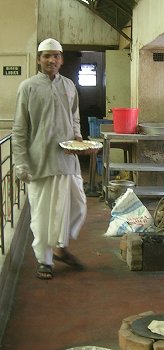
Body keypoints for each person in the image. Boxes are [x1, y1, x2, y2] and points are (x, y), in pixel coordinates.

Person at [12, 38, 87, 280]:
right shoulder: (28, 87)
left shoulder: (69, 85)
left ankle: (61, 247)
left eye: (56, 56)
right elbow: (20, 128)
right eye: (46, 56)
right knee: (43, 215)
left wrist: (77, 137)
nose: (51, 60)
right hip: (40, 162)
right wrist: (21, 162)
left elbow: (74, 115)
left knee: (76, 205)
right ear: (39, 59)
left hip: (66, 158)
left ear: (61, 60)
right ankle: (45, 260)